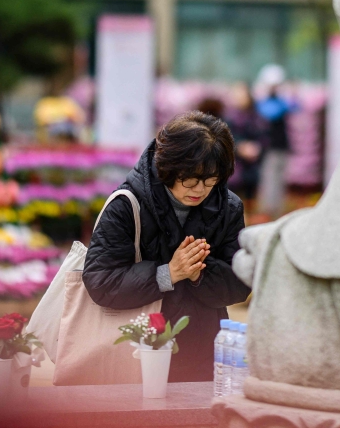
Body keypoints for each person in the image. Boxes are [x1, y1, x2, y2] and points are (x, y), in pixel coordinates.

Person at [83, 111, 251, 382]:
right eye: (191, 180)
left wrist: (200, 273)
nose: (200, 190)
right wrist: (168, 273)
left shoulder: (228, 207)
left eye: (211, 182)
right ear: (168, 168)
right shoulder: (126, 205)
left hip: (202, 353)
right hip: (135, 352)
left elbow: (240, 284)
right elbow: (100, 281)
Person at [254, 65, 293, 218]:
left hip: (281, 145)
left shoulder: (280, 100)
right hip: (269, 147)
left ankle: (277, 208)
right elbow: (271, 113)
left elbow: (296, 106)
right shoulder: (264, 102)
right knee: (270, 178)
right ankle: (269, 209)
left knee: (279, 179)